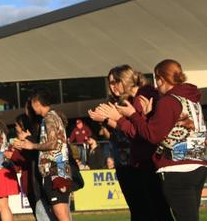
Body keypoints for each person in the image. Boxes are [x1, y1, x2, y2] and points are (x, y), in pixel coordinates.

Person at [102, 59, 206, 221]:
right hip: (197, 163)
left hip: (176, 167)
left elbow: (152, 135)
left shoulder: (168, 101)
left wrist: (130, 116)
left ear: (161, 79)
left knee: (162, 213)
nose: (156, 86)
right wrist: (149, 116)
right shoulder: (192, 100)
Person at [89, 64, 172, 221]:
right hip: (129, 162)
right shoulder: (127, 100)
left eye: (115, 82)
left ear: (126, 80)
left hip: (144, 163)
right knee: (140, 210)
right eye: (110, 83)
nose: (112, 87)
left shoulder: (143, 95)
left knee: (154, 210)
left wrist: (111, 119)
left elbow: (137, 131)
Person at [14, 90, 71, 221]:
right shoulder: (52, 117)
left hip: (55, 171)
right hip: (54, 170)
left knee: (61, 216)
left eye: (32, 104)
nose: (31, 108)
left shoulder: (49, 118)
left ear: (37, 103)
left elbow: (52, 143)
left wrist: (32, 145)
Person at [5, 112, 55, 221]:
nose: (15, 128)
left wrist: (13, 155)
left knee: (43, 213)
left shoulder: (32, 140)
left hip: (33, 182)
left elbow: (29, 158)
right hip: (28, 182)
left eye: (17, 125)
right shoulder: (21, 140)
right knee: (38, 213)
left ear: (22, 126)